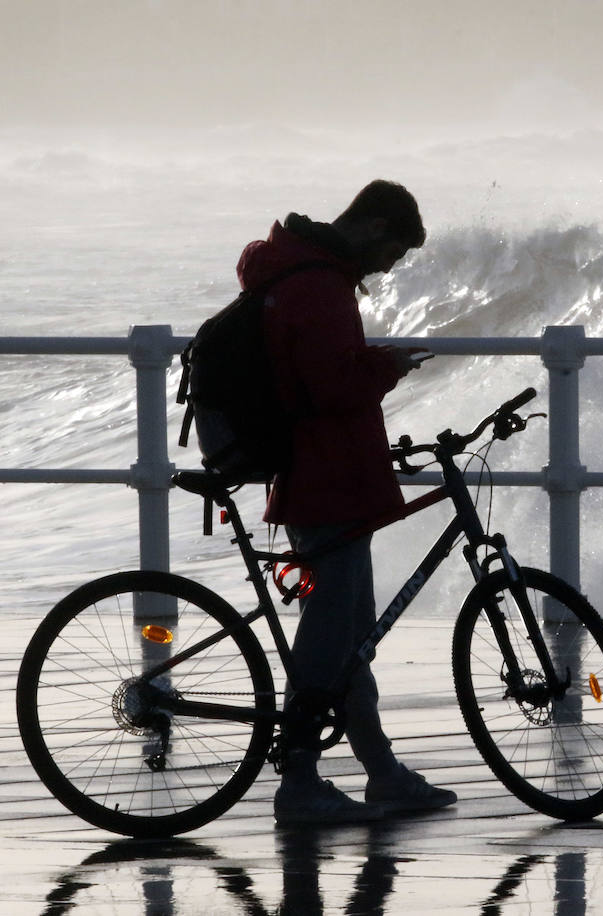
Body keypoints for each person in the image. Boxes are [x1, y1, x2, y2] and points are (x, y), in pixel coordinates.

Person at [236, 180, 458, 826]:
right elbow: (331, 386)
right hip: (326, 477)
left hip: (313, 473)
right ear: (373, 227)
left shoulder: (293, 269)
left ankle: (382, 772)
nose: (388, 268)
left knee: (348, 639)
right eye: (392, 253)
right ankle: (300, 780)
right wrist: (387, 365)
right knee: (332, 635)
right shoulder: (320, 284)